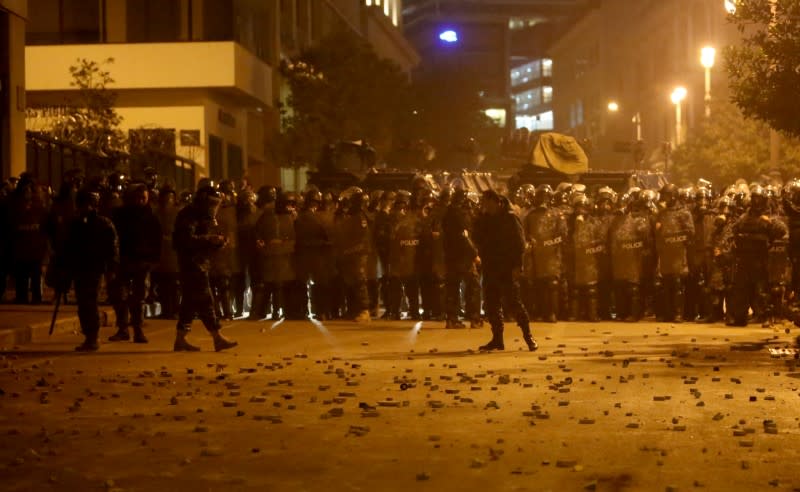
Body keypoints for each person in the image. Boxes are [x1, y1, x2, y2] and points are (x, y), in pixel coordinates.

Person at [172, 184, 238, 352]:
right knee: (205, 300)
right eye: (212, 203)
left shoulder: (202, 216)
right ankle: (217, 337)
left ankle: (181, 339)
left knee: (189, 303)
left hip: (200, 262)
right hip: (192, 264)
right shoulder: (189, 216)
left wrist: (217, 242)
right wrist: (210, 240)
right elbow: (186, 240)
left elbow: (203, 240)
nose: (214, 208)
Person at [473, 190, 537, 352]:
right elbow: (477, 238)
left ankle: (528, 337)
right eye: (483, 204)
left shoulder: (510, 218)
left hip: (507, 267)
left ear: (497, 202)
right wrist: (479, 218)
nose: (485, 206)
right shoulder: (485, 219)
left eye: (487, 203)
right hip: (490, 267)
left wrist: (518, 265)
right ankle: (497, 339)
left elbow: (519, 244)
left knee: (514, 302)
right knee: (492, 304)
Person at [60, 189, 119, 351]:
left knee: (90, 302)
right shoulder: (75, 224)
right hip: (80, 268)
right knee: (84, 303)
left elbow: (112, 248)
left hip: (95, 268)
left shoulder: (103, 224)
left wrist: (111, 268)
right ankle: (89, 335)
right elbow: (67, 247)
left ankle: (92, 336)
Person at [107, 183, 162, 343]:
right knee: (119, 296)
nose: (140, 201)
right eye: (137, 197)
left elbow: (157, 241)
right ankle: (123, 328)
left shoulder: (151, 217)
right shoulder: (118, 215)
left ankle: (138, 329)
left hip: (142, 263)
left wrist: (153, 261)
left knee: (138, 298)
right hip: (121, 261)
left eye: (143, 198)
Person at [727, 185, 788, 326]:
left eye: (758, 199)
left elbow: (782, 230)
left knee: (762, 290)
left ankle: (766, 316)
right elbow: (733, 230)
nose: (756, 201)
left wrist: (769, 223)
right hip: (744, 257)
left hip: (760, 257)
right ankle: (740, 317)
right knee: (741, 288)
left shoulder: (769, 216)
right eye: (754, 198)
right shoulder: (744, 217)